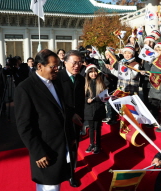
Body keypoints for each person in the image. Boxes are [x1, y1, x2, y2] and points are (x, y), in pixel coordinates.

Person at [14, 49, 77, 191]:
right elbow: (24, 125)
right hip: (46, 149)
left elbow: (63, 111)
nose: (56, 70)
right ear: (40, 66)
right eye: (53, 67)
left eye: (58, 66)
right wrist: (38, 152)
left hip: (62, 146)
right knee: (49, 187)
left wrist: (71, 136)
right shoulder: (25, 88)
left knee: (58, 183)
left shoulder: (56, 82)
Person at [56, 50, 85, 187]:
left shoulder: (81, 78)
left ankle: (71, 174)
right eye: (74, 62)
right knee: (61, 148)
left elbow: (81, 102)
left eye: (80, 63)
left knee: (73, 147)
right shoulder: (57, 78)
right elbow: (57, 101)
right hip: (61, 121)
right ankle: (61, 171)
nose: (77, 66)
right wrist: (69, 113)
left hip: (76, 121)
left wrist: (81, 119)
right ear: (65, 62)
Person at [84, 64, 106, 154]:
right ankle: (91, 143)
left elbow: (105, 95)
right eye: (91, 72)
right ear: (88, 73)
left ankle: (98, 145)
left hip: (98, 108)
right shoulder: (85, 83)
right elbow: (81, 97)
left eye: (95, 72)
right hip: (89, 109)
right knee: (91, 127)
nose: (93, 74)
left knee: (98, 127)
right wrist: (86, 100)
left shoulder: (101, 82)